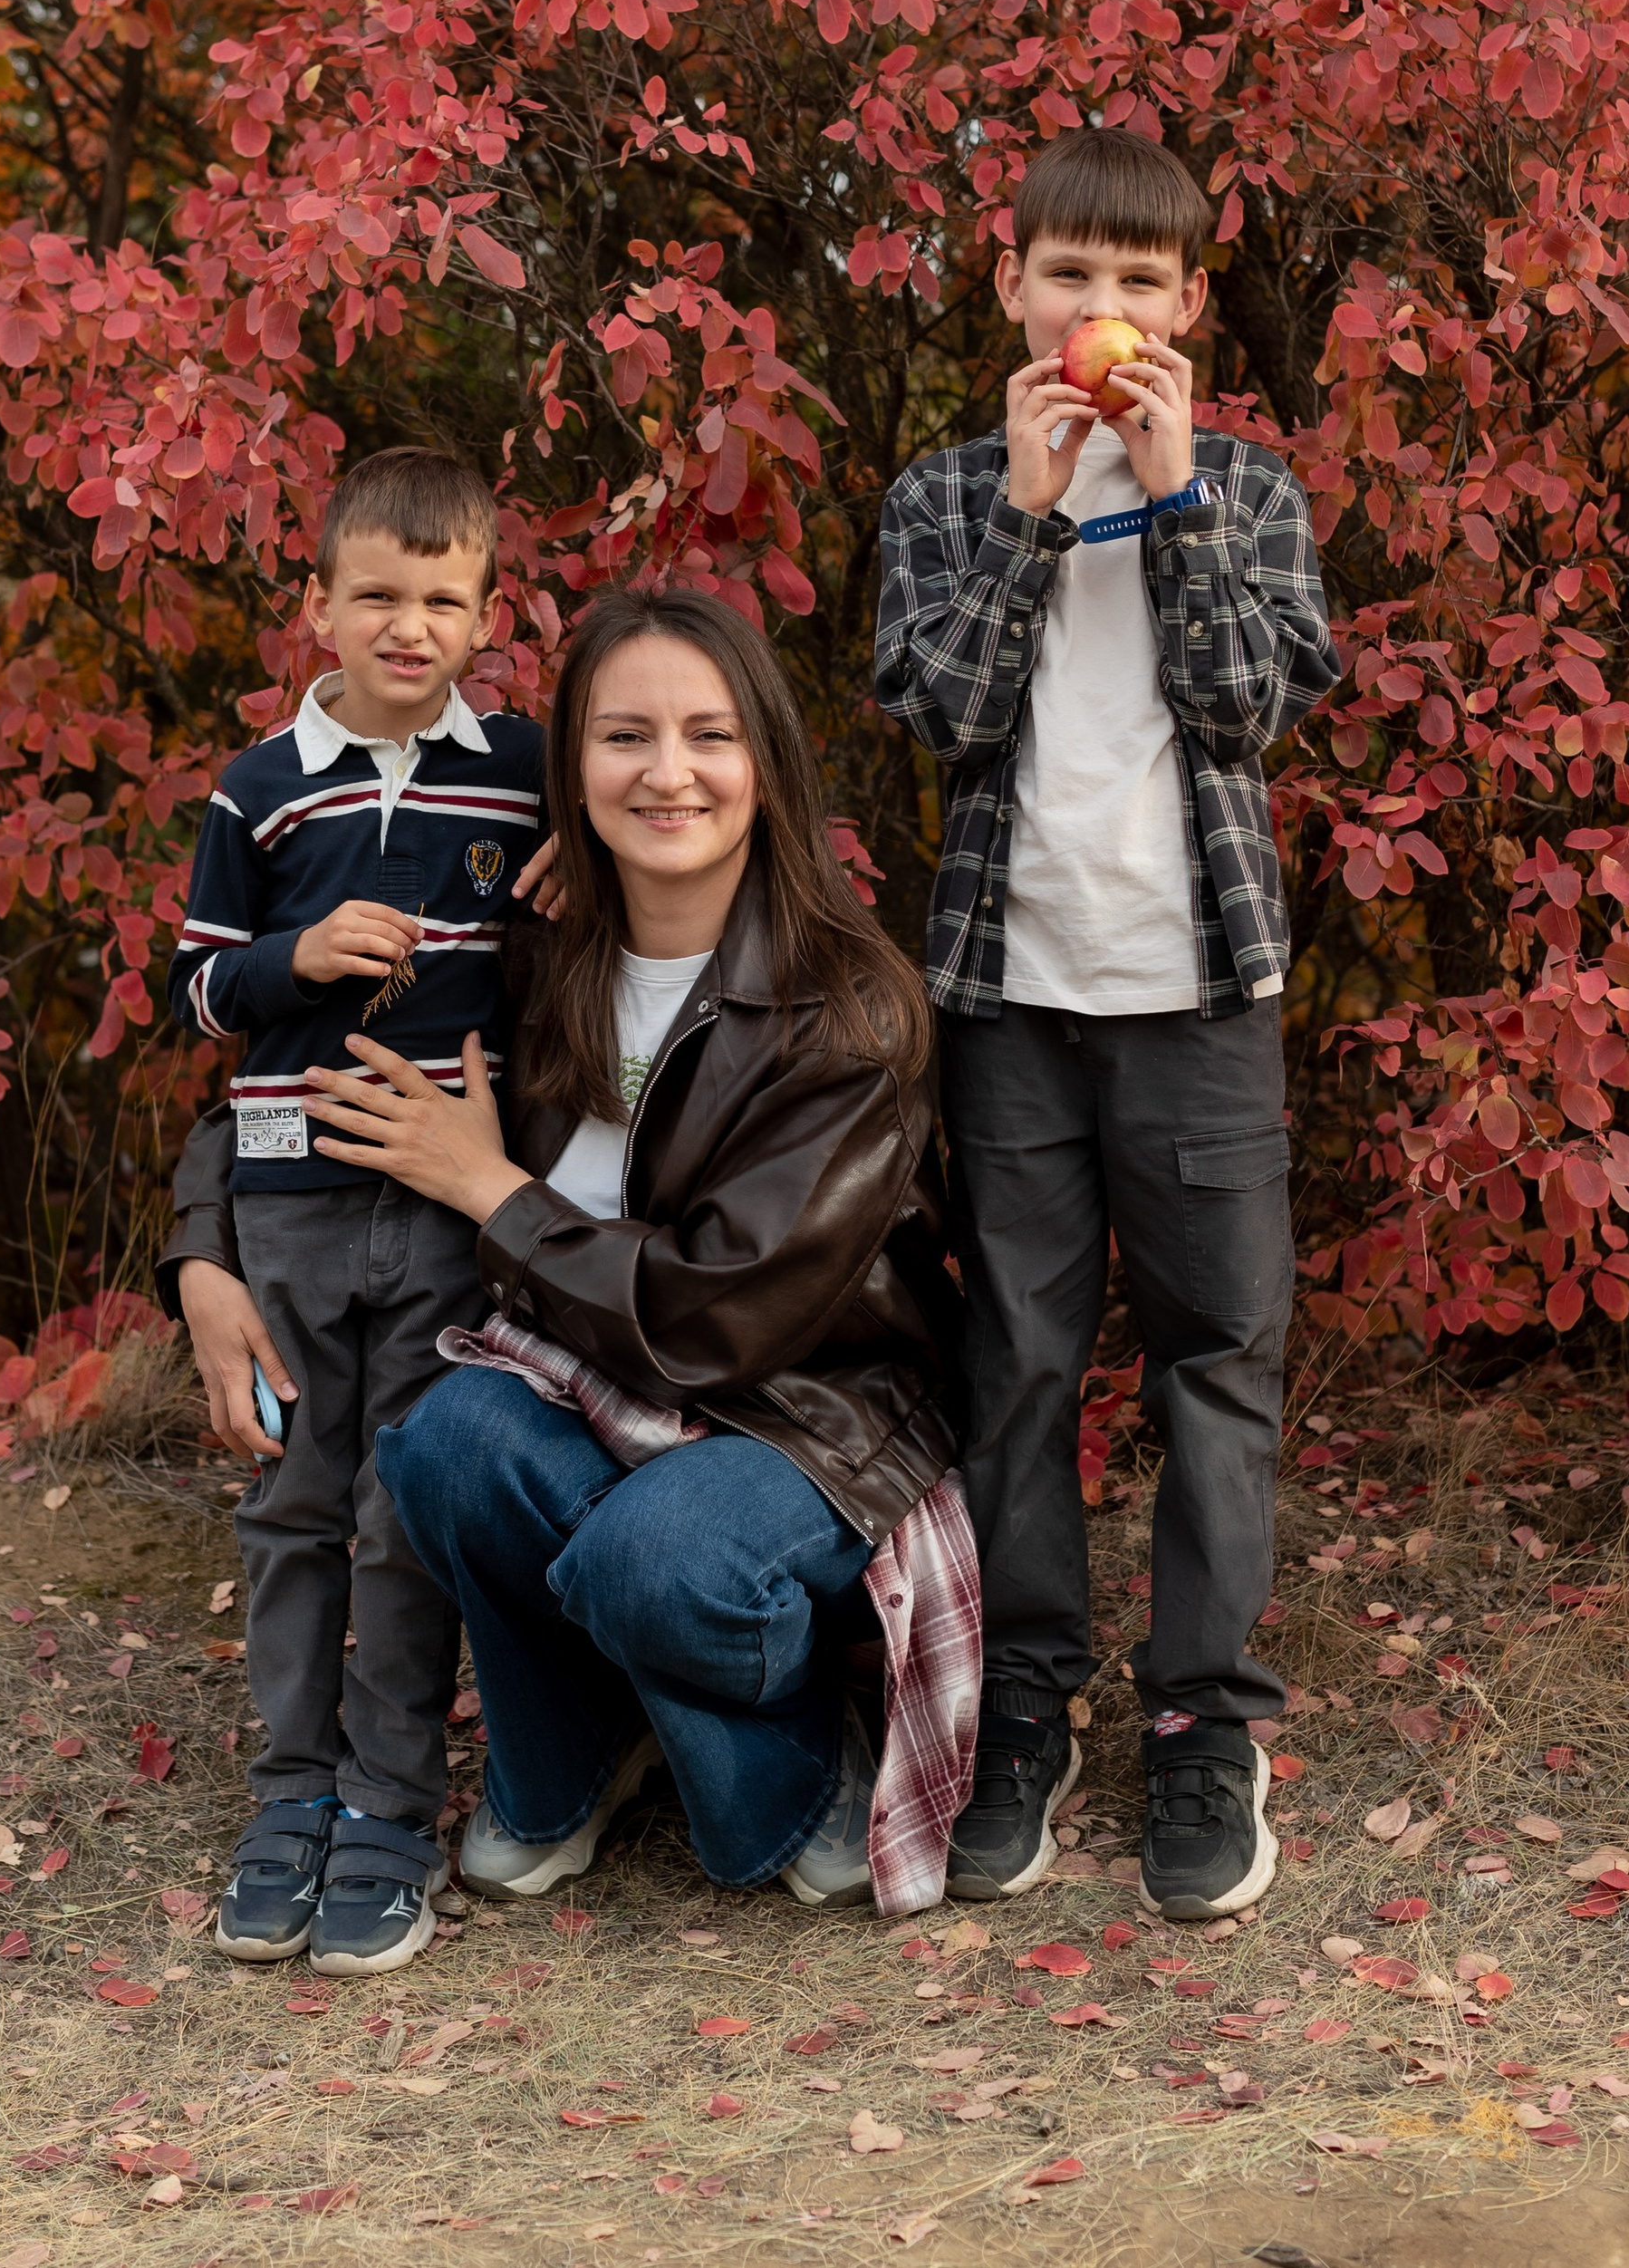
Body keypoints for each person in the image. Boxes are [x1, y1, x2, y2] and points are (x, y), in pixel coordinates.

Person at [307, 588, 965, 1913]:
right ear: (573, 770)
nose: (669, 773)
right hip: (593, 1388)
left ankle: (798, 1776)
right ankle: (574, 1761)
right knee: (446, 1442)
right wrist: (203, 1252)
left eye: (710, 735)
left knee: (654, 1558)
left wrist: (493, 1189)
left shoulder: (852, 1010)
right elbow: (295, 1060)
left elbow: (718, 1320)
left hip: (803, 1418)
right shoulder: (535, 956)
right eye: (625, 737)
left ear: (768, 763)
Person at [874, 126, 1340, 1919]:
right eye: (1068, 272)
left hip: (1196, 1002)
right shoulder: (943, 496)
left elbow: (1242, 707)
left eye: (1137, 279)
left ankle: (1205, 1723)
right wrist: (1024, 507)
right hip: (1011, 1005)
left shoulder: (1244, 488)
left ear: (1188, 305)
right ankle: (1026, 1709)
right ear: (1011, 286)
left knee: (1216, 1362)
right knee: (1016, 1364)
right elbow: (944, 710)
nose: (1101, 304)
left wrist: (1172, 498)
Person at [158, 448, 547, 1976]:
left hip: (445, 1203)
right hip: (292, 1202)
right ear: (317, 605)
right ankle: (292, 1793)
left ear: (485, 616)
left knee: (402, 1512)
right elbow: (195, 986)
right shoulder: (258, 787)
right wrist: (297, 957)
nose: (409, 625)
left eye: (442, 601)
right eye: (376, 594)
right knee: (293, 1501)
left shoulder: (513, 769)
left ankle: (391, 1804)